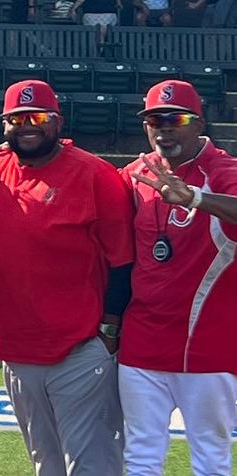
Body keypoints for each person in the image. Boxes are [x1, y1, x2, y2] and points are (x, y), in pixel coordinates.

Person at [0, 79, 130, 476]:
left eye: (38, 117)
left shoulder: (95, 173)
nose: (27, 126)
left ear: (58, 122)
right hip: (16, 348)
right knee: (46, 464)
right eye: (17, 119)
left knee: (92, 466)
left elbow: (123, 262)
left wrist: (108, 332)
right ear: (4, 125)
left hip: (79, 347)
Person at [119, 79, 237, 476]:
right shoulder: (136, 173)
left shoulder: (222, 170)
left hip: (207, 345)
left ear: (199, 123)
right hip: (142, 343)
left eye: (177, 120)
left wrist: (194, 198)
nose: (165, 129)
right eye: (156, 121)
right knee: (140, 457)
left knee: (210, 460)